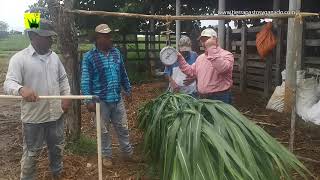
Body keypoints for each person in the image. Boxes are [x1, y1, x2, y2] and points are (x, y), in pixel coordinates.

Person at [3, 19, 71, 180]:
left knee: (57, 148)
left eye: (51, 37)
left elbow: (63, 79)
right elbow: (8, 83)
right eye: (46, 37)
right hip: (34, 118)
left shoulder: (54, 57)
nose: (51, 40)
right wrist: (21, 89)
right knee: (32, 153)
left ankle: (57, 173)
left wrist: (66, 96)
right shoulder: (19, 59)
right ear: (33, 36)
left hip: (56, 115)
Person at [80, 24, 133, 167]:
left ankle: (127, 153)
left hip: (117, 97)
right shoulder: (89, 57)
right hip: (100, 100)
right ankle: (106, 156)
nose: (110, 39)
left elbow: (123, 73)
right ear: (98, 39)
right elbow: (85, 81)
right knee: (103, 131)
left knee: (123, 127)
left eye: (110, 36)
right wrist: (88, 100)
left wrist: (128, 89)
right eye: (106, 36)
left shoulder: (116, 53)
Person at [176, 28, 234, 104]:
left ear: (215, 40)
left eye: (206, 39)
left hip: (220, 97)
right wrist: (180, 59)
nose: (204, 43)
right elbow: (190, 71)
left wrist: (211, 49)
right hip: (202, 97)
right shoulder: (200, 58)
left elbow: (222, 69)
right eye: (202, 40)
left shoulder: (226, 55)